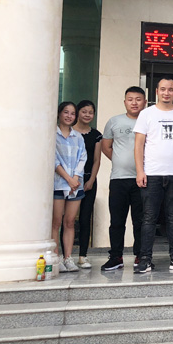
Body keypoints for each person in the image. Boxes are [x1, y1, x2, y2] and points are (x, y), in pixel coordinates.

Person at [133, 76, 173, 273]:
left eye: (170, 89)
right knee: (149, 218)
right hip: (151, 173)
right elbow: (139, 144)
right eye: (163, 89)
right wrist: (140, 171)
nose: (166, 93)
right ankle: (145, 259)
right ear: (156, 92)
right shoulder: (146, 114)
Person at [100, 86, 147, 271]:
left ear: (145, 102)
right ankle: (116, 257)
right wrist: (120, 161)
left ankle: (140, 256)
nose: (134, 103)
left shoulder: (149, 120)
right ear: (125, 102)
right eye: (130, 99)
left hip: (142, 179)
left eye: (138, 99)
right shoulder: (114, 121)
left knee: (140, 221)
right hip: (119, 179)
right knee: (117, 221)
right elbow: (106, 147)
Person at [52, 101, 87, 272]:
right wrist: (68, 179)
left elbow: (83, 158)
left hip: (75, 185)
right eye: (66, 112)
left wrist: (75, 178)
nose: (69, 116)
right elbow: (54, 160)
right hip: (58, 184)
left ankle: (68, 258)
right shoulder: (52, 135)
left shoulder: (78, 137)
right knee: (56, 222)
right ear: (59, 113)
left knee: (70, 222)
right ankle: (55, 258)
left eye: (72, 113)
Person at [72, 99, 102, 269]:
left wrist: (91, 180)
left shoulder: (96, 135)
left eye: (90, 112)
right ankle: (65, 256)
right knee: (68, 220)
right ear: (78, 112)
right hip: (70, 181)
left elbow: (97, 160)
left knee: (85, 218)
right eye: (84, 111)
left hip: (89, 181)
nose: (87, 115)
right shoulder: (69, 133)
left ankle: (83, 256)